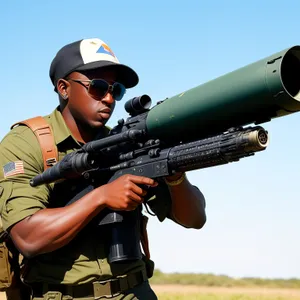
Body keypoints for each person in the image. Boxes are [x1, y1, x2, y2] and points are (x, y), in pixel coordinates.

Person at [0, 37, 207, 300]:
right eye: (97, 87)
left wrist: (175, 174)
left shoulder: (127, 144)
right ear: (64, 88)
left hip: (135, 292)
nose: (109, 98)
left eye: (116, 90)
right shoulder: (28, 143)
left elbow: (194, 219)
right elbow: (28, 238)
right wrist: (101, 197)